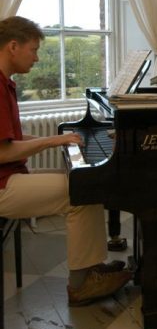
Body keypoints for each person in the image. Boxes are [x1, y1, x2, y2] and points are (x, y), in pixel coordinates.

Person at [0, 16, 133, 306]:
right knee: (80, 193)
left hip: (8, 175)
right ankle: (81, 285)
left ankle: (92, 266)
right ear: (13, 46)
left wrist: (43, 138)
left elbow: (9, 139)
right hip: (2, 186)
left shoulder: (5, 82)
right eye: (33, 50)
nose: (36, 58)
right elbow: (2, 153)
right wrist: (53, 140)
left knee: (84, 181)